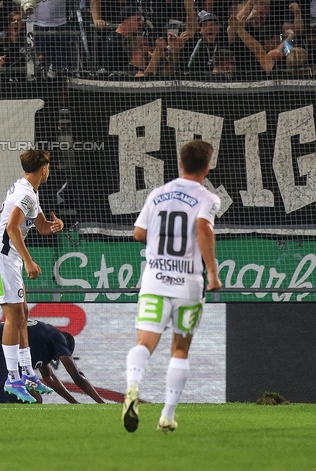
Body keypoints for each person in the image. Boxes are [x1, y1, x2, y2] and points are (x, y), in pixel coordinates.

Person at [122, 139, 222, 433]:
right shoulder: (208, 199)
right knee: (180, 349)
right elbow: (203, 227)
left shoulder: (157, 194)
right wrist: (213, 273)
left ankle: (132, 389)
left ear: (179, 163)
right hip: (188, 284)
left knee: (144, 343)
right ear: (207, 167)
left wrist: (159, 239)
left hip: (154, 281)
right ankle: (167, 414)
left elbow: (138, 232)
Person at [0, 148, 64, 403]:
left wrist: (54, 227)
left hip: (6, 258)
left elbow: (40, 228)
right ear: (44, 168)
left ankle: (27, 372)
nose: (49, 169)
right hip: (2, 257)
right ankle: (12, 378)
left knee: (22, 314)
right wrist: (29, 260)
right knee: (13, 318)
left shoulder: (28, 190)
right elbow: (11, 226)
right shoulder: (26, 194)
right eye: (48, 165)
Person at [0, 320, 106, 405]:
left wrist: (75, 404)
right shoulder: (56, 337)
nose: (59, 359)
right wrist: (100, 403)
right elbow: (77, 376)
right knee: (32, 399)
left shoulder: (42, 339)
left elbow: (50, 378)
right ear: (63, 347)